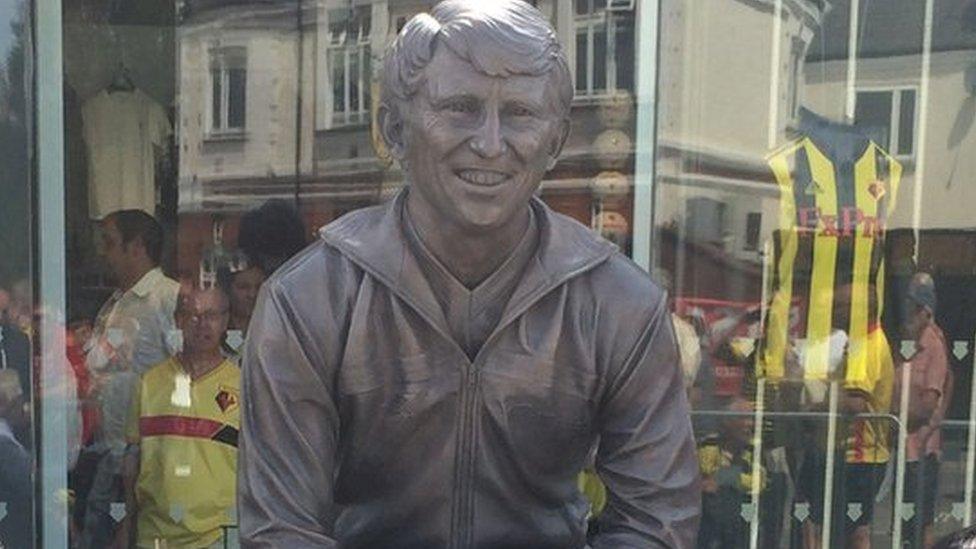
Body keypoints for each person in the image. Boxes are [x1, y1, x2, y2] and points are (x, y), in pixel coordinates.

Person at [238, 1, 700, 547]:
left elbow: (655, 525)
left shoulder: (620, 305)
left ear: (556, 139)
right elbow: (282, 530)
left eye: (522, 114)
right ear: (395, 128)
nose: (490, 143)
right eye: (460, 107)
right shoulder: (309, 301)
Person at [80, 209, 180, 548]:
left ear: (136, 247)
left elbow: (185, 369)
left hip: (146, 451)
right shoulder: (116, 304)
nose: (102, 253)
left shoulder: (166, 297)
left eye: (109, 243)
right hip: (107, 447)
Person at [120, 284, 239, 548]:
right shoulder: (150, 383)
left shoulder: (243, 386)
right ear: (178, 320)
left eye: (212, 315)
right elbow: (132, 460)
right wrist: (127, 522)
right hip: (154, 536)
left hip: (218, 536)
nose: (202, 324)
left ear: (225, 321)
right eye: (193, 315)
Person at [798, 283, 894, 549]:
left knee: (852, 530)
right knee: (838, 525)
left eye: (840, 307)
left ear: (858, 311)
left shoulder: (867, 346)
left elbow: (855, 404)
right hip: (851, 453)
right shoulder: (861, 342)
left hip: (858, 455)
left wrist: (815, 405)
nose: (833, 313)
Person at [898, 272, 952, 549]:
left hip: (920, 449)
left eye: (913, 307)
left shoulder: (932, 344)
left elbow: (929, 400)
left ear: (925, 310)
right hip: (905, 447)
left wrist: (896, 420)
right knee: (906, 521)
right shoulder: (910, 343)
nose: (907, 313)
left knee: (921, 523)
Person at [697, 398, 765, 548]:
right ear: (726, 421)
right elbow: (705, 474)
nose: (749, 424)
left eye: (751, 418)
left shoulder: (753, 449)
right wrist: (737, 479)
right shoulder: (709, 443)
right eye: (743, 418)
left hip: (743, 523)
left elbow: (759, 482)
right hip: (710, 528)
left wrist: (726, 477)